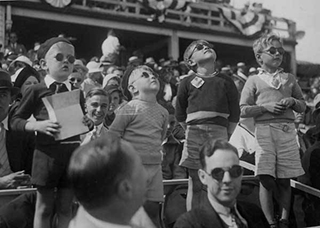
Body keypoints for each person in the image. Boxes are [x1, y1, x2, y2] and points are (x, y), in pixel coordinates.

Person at [10, 37, 93, 228]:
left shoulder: (77, 92)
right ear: (42, 64)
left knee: (66, 208)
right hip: (46, 155)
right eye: (59, 57)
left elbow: (82, 123)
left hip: (71, 154)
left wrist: (87, 122)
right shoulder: (37, 90)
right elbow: (15, 120)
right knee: (44, 208)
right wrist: (37, 126)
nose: (66, 62)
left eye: (71, 59)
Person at [240, 33, 306, 228]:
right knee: (266, 178)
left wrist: (293, 101)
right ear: (260, 57)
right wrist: (264, 108)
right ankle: (271, 222)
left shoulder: (289, 78)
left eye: (280, 51)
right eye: (272, 51)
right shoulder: (253, 80)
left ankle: (284, 220)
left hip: (286, 131)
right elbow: (242, 109)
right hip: (264, 131)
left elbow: (303, 106)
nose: (278, 54)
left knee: (285, 178)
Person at [175, 39, 240, 210]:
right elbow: (180, 113)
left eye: (208, 46)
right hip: (194, 134)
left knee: (220, 178)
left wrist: (226, 134)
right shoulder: (186, 82)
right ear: (190, 62)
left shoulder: (226, 81)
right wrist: (191, 131)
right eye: (199, 48)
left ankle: (222, 218)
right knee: (195, 181)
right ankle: (193, 220)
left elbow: (235, 112)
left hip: (220, 134)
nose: (206, 48)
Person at [109, 65, 169, 227]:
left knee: (153, 211)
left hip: (155, 168)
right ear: (132, 88)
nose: (151, 76)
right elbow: (113, 135)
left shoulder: (163, 112)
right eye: (144, 75)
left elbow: (161, 136)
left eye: (153, 74)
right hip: (132, 168)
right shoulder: (129, 108)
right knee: (132, 212)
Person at [174, 139, 269, 228]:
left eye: (234, 171)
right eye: (218, 173)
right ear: (203, 177)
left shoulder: (255, 214)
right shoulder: (189, 224)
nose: (227, 179)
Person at [68, 133, 149, 228]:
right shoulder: (127, 209)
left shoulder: (93, 211)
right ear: (125, 188)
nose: (147, 177)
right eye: (141, 167)